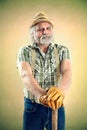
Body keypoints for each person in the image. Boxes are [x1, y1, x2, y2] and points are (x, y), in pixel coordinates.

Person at [17, 12, 72, 130]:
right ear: (33, 33)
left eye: (48, 28)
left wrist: (60, 93)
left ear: (52, 30)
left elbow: (67, 71)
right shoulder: (25, 51)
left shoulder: (62, 50)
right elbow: (26, 75)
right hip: (33, 106)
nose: (45, 32)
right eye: (40, 30)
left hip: (57, 106)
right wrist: (42, 95)